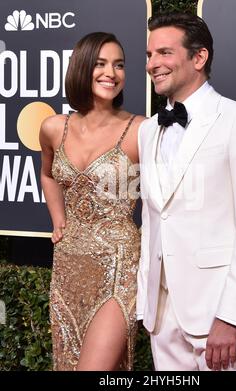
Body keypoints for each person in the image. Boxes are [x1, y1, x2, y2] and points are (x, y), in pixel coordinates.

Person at [136, 12, 236, 371]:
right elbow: (154, 221)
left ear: (199, 58)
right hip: (163, 317)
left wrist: (231, 316)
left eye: (165, 53)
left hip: (221, 315)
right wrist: (145, 305)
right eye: (150, 55)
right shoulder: (149, 130)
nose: (153, 64)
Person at [40, 32, 144, 371]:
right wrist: (59, 220)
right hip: (69, 265)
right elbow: (48, 174)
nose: (111, 73)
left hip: (120, 265)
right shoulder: (54, 128)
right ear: (82, 69)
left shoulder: (140, 130)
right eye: (100, 64)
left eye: (119, 65)